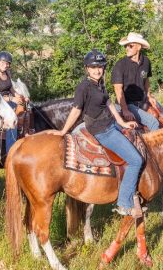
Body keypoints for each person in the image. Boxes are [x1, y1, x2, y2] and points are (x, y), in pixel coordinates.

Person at [57, 50, 143, 217]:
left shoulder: (100, 83)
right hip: (102, 130)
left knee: (137, 139)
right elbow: (76, 111)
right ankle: (124, 204)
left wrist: (122, 122)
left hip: (111, 124)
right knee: (135, 160)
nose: (97, 70)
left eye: (100, 67)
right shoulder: (83, 87)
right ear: (87, 69)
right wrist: (63, 131)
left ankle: (133, 189)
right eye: (93, 67)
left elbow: (109, 103)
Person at [112, 32, 163, 130]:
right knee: (153, 122)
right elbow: (118, 89)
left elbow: (146, 80)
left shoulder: (146, 62)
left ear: (139, 47)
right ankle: (156, 145)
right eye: (126, 46)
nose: (127, 48)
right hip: (127, 103)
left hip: (142, 101)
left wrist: (149, 95)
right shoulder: (120, 65)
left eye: (130, 46)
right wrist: (125, 110)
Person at [0, 51, 24, 153]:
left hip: (9, 100)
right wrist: (11, 99)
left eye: (8, 63)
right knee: (12, 119)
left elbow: (11, 88)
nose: (5, 65)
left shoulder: (7, 73)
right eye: (3, 62)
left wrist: (19, 96)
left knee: (26, 109)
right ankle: (11, 151)